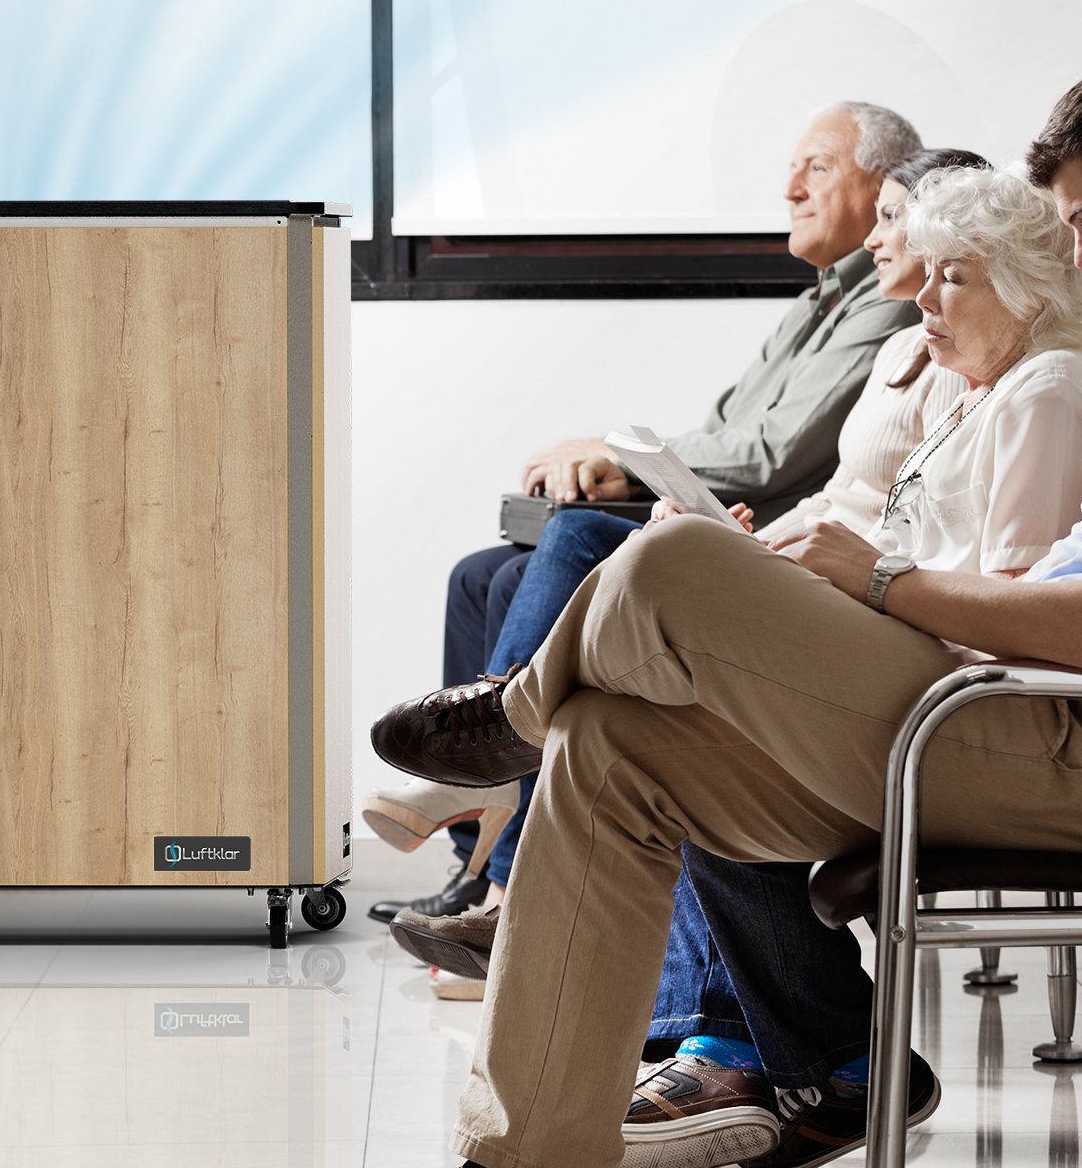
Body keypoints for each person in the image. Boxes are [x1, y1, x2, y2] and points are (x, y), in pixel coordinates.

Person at [317, 0, 1082, 1168]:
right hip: (1033, 708)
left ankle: (505, 724)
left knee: (673, 563)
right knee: (614, 741)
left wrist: (893, 585)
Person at [632, 56, 1082, 1168]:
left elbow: (1013, 608)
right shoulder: (981, 387)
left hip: (994, 698)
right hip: (947, 668)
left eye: (948, 277)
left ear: (1020, 281)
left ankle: (782, 1049)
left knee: (682, 679)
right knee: (672, 661)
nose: (918, 300)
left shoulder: (1053, 390)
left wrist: (849, 590)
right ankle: (758, 1047)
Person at [385, 148, 988, 976]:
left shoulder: (932, 348)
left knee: (580, 561)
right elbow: (835, 484)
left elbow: (841, 486)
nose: (792, 191)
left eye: (891, 216)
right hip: (804, 548)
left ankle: (506, 835)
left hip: (852, 592)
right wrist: (733, 523)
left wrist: (710, 510)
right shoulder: (880, 336)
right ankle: (497, 860)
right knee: (502, 567)